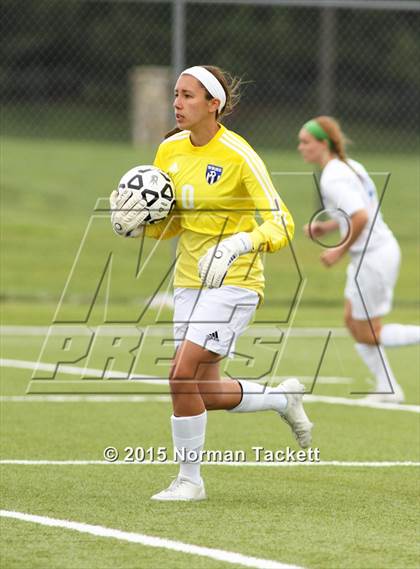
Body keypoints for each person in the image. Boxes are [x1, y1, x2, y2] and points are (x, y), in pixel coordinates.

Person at [110, 65, 313, 501]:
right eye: (176, 95)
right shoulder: (169, 150)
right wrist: (138, 224)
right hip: (189, 281)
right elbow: (172, 224)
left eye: (187, 96)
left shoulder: (239, 155)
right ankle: (283, 400)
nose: (177, 104)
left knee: (180, 374)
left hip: (236, 282)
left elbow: (282, 224)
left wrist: (239, 243)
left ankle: (190, 481)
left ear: (213, 104)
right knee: (206, 390)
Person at [298, 116, 420, 404]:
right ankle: (387, 387)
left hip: (373, 257)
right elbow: (358, 211)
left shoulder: (332, 176)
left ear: (323, 144)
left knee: (367, 332)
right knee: (352, 323)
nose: (300, 148)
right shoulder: (349, 166)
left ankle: (388, 387)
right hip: (373, 254)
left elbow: (362, 217)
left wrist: (337, 250)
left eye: (305, 142)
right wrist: (327, 227)